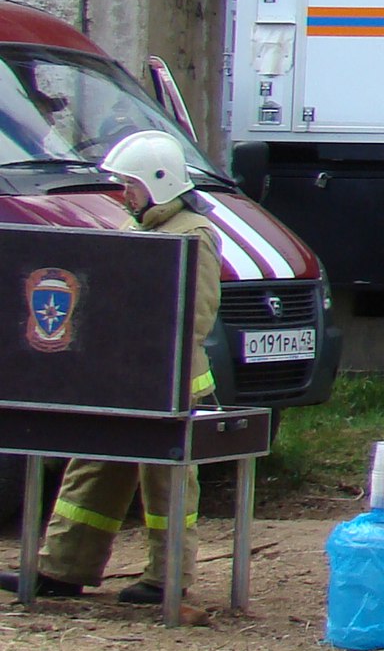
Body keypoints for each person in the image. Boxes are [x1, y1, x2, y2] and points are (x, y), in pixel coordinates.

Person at [1, 131, 221, 605]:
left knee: (165, 485)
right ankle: (62, 568)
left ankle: (168, 579)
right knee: (92, 469)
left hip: (171, 385)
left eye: (131, 185)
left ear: (160, 183)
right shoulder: (135, 229)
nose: (125, 195)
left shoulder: (192, 235)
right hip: (122, 381)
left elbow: (196, 318)